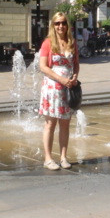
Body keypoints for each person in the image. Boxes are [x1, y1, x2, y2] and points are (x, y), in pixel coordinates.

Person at [38, 12, 79, 171]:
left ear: (67, 25)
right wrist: (61, 79)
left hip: (68, 88)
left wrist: (74, 77)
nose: (60, 26)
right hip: (52, 87)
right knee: (50, 123)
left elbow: (75, 64)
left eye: (63, 23)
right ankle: (48, 158)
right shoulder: (48, 43)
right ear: (53, 26)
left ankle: (63, 157)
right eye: (57, 23)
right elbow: (43, 66)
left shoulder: (72, 42)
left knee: (65, 123)